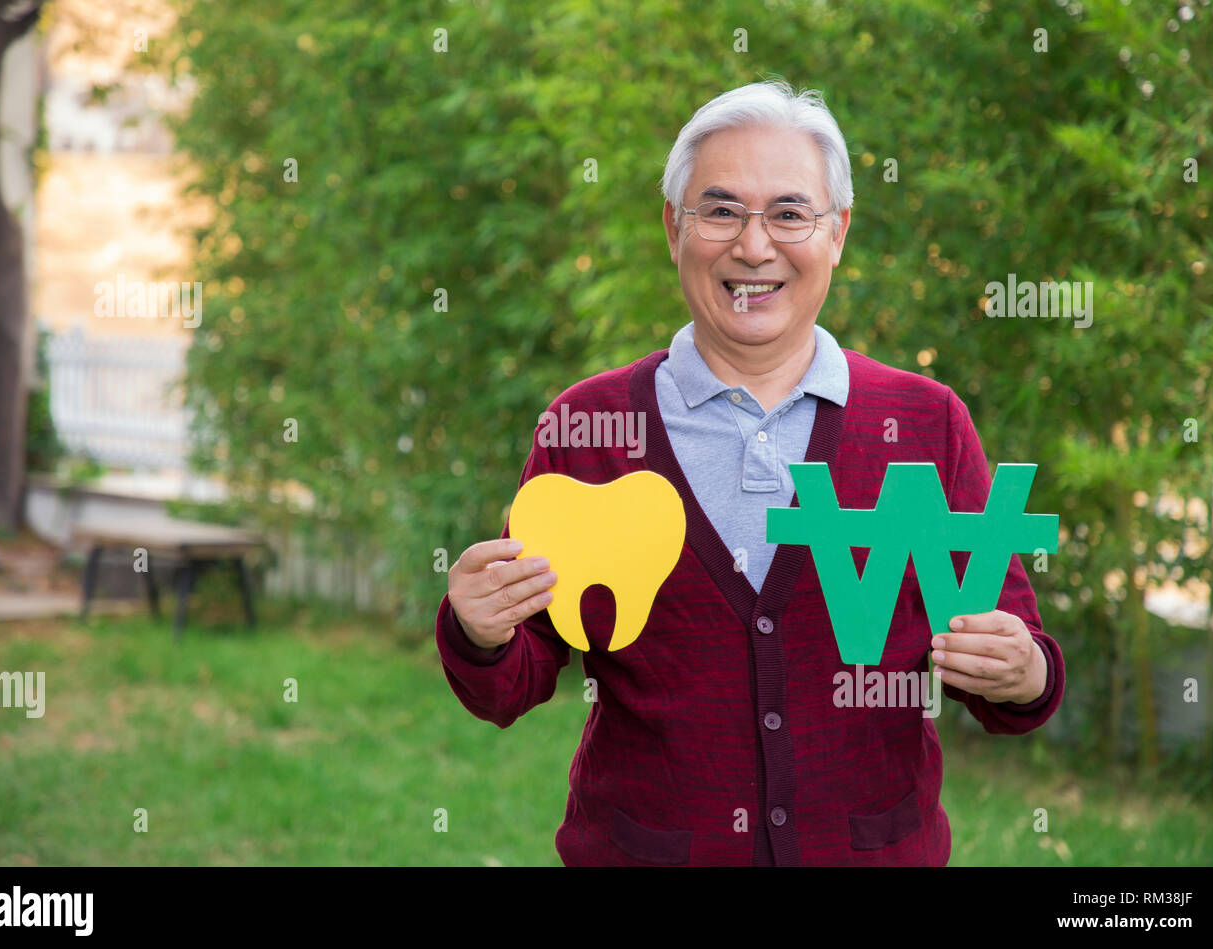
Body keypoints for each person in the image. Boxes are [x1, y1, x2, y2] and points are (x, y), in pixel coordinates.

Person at [436, 79, 1063, 865]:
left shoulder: (928, 423)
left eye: (790, 214)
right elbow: (514, 682)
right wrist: (477, 630)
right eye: (721, 210)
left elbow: (1008, 675)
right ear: (673, 227)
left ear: (837, 232)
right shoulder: (589, 428)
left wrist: (1025, 671)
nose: (754, 246)